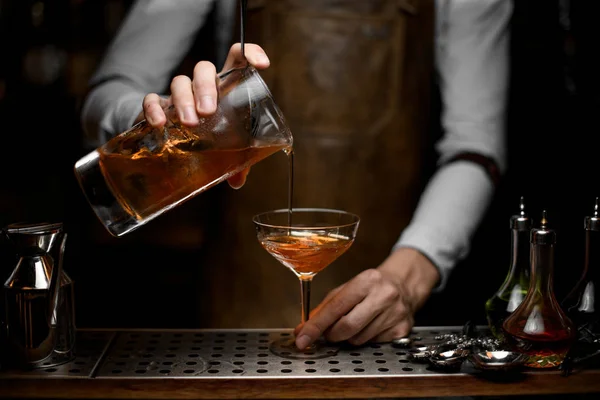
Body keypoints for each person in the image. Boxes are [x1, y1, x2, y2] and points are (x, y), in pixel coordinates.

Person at [81, 0, 512, 349]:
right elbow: (109, 88)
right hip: (234, 317)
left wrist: (408, 276)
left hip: (384, 311)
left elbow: (475, 148)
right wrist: (145, 117)